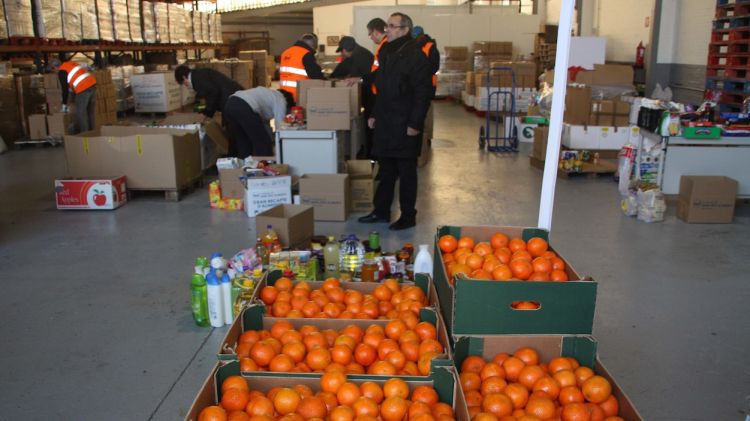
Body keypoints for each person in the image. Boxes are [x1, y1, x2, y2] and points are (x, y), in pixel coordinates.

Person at [357, 12, 432, 231]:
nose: (387, 29)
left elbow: (422, 93)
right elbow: (383, 89)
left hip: (405, 123)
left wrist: (415, 124)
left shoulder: (416, 57)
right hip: (387, 122)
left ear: (405, 29)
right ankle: (381, 212)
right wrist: (374, 114)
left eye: (392, 26)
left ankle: (408, 216)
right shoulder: (389, 53)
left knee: (406, 171)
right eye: (388, 26)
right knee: (386, 169)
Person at [223, 88, 294, 159]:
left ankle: (244, 168)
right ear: (288, 105)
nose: (287, 113)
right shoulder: (281, 99)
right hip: (243, 106)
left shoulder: (268, 97)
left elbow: (264, 126)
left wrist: (272, 138)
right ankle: (265, 168)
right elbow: (280, 126)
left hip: (230, 104)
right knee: (263, 144)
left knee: (244, 144)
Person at [174, 65, 242, 119]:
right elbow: (208, 92)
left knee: (233, 129)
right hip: (234, 97)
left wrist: (208, 112)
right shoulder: (197, 74)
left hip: (233, 101)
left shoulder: (197, 79)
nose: (185, 85)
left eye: (183, 83)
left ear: (184, 77)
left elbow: (213, 91)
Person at [52, 58, 97, 133]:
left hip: (83, 88)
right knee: (90, 112)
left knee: (81, 112)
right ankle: (93, 132)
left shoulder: (62, 72)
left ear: (55, 67)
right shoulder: (70, 64)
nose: (54, 72)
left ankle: (85, 134)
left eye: (53, 70)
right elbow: (75, 76)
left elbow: (64, 90)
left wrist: (64, 105)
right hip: (92, 84)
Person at [279, 33, 325, 102]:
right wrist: (326, 81)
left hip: (284, 94)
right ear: (312, 45)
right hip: (299, 94)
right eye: (314, 48)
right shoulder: (306, 54)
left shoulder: (285, 52)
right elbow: (316, 75)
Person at [412, 26, 440, 98]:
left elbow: (435, 67)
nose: (415, 40)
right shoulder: (414, 46)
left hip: (428, 83)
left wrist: (421, 72)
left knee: (426, 105)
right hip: (416, 83)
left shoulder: (431, 47)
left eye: (417, 38)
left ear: (422, 35)